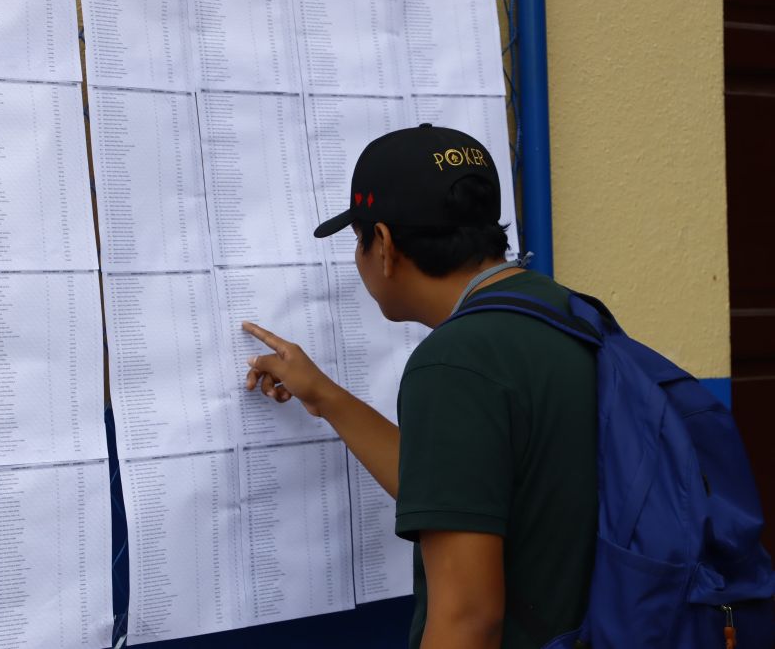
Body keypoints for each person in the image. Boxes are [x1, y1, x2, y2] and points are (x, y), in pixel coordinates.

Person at [242, 124, 598, 649]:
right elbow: (456, 488)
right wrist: (324, 395)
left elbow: (468, 619)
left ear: (384, 245)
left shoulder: (454, 363)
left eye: (358, 239)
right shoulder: (564, 310)